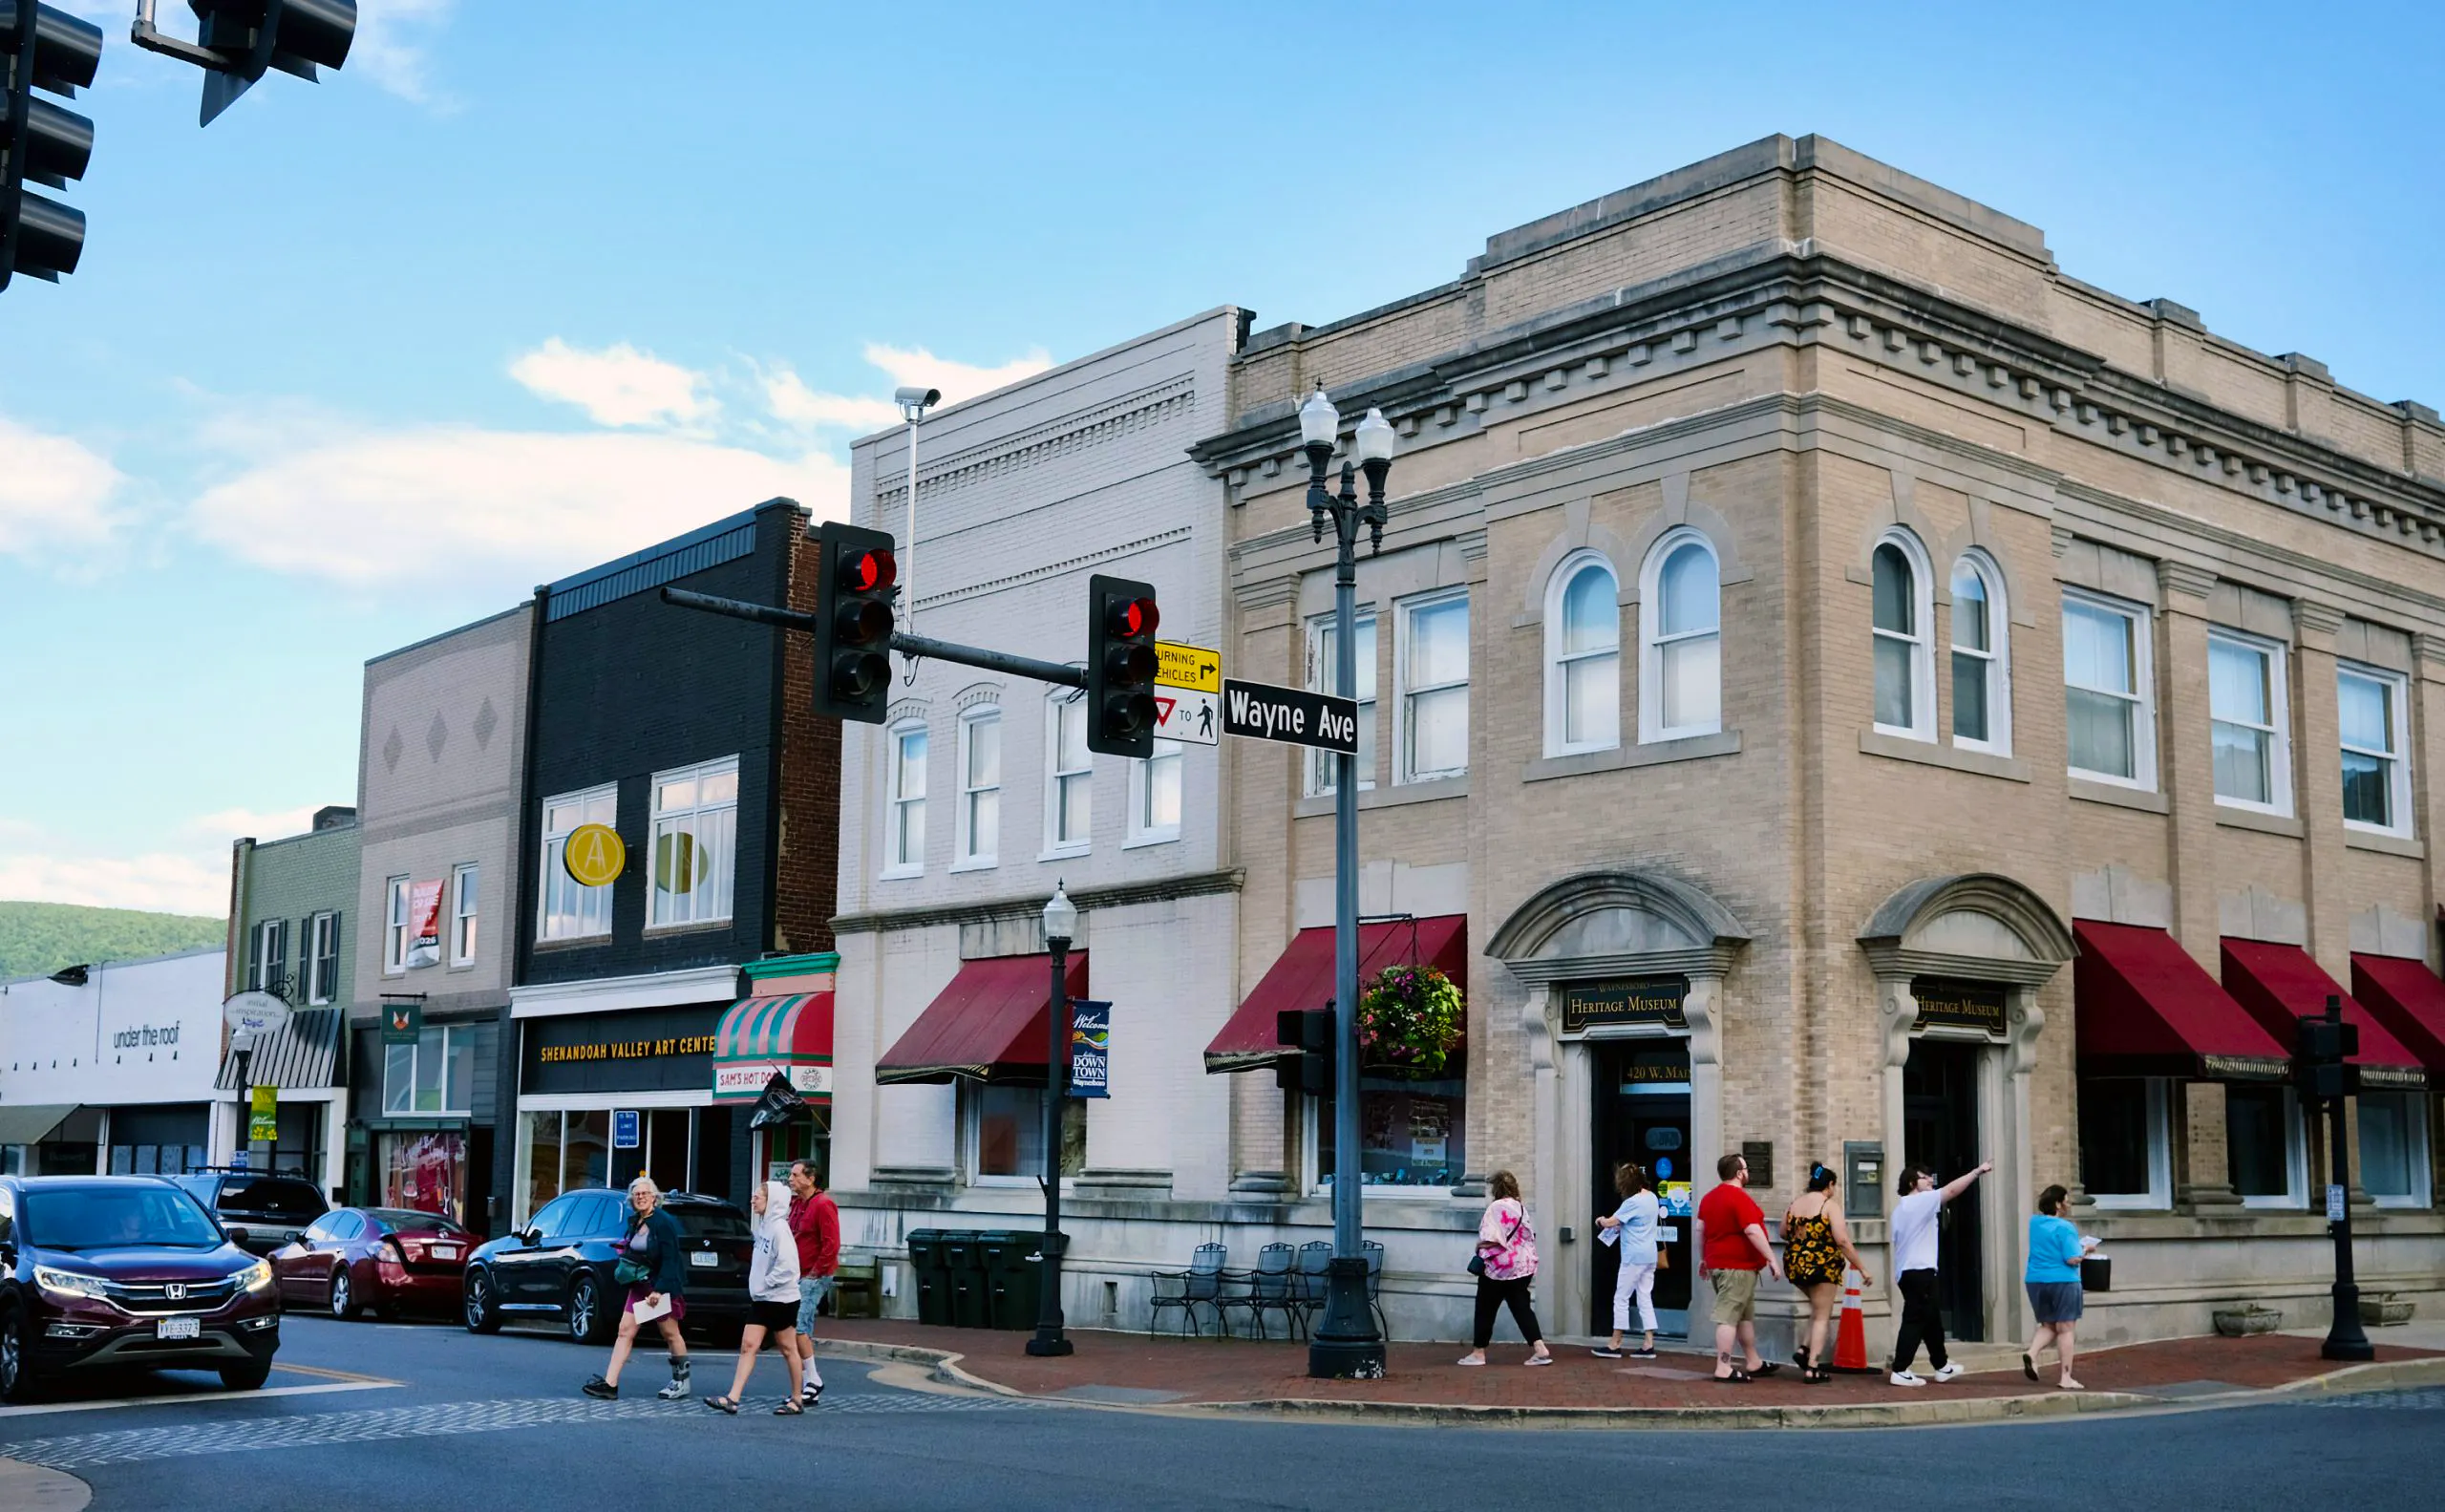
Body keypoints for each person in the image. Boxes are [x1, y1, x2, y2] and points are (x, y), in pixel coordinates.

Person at [582, 1175, 691, 1401]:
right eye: (636, 1194)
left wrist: (659, 1290)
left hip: (658, 1287)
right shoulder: (636, 1221)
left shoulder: (663, 1222)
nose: (640, 1197)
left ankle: (681, 1381)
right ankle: (610, 1384)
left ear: (654, 1197)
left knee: (670, 1333)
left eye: (645, 1193)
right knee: (625, 1331)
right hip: (639, 1286)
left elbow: (671, 1259)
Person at [704, 1180, 807, 1415]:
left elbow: (790, 1267)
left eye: (757, 1197)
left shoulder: (780, 1229)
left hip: (782, 1300)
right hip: (762, 1299)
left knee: (788, 1348)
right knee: (748, 1345)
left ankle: (797, 1399)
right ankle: (733, 1398)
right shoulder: (763, 1227)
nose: (752, 1200)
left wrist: (767, 1283)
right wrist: (760, 1288)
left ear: (772, 1202)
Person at [1887, 1158, 1990, 1387]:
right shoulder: (1920, 1201)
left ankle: (1942, 1366)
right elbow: (1951, 1190)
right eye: (1926, 1179)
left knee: (1931, 1320)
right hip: (1920, 1271)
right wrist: (1976, 1172)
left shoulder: (1900, 1209)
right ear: (1914, 1183)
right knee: (1914, 1320)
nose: (1931, 1182)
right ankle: (1900, 1369)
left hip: (1908, 1272)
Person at [1694, 1151, 1782, 1382]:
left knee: (1743, 1316)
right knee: (1729, 1317)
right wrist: (1771, 1258)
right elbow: (1752, 1230)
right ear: (1739, 1173)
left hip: (1721, 1265)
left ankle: (1753, 1361)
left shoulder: (1709, 1198)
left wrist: (1703, 1258)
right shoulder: (1739, 1198)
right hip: (1737, 1268)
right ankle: (1723, 1367)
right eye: (1745, 1169)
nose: (1748, 1172)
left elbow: (1700, 1230)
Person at [1782, 1161, 1872, 1383]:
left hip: (1795, 1265)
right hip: (1822, 1265)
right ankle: (1812, 1367)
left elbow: (1784, 1232)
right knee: (1823, 1315)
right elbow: (1842, 1240)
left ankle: (1804, 1349)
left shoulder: (1795, 1204)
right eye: (1834, 1186)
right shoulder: (1828, 1206)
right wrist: (1862, 1268)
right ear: (1829, 1185)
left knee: (1817, 1306)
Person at [1456, 1170, 1553, 1367]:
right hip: (1522, 1266)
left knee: (1485, 1308)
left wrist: (1479, 1246)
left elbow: (1491, 1238)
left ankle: (1478, 1352)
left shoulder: (1495, 1208)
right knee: (1521, 1307)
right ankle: (1540, 1348)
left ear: (1496, 1189)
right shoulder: (1521, 1208)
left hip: (1498, 1268)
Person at [2024, 1182, 2091, 1391]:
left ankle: (2032, 1353)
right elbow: (2072, 1259)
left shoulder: (2035, 1223)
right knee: (2066, 1329)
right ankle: (2066, 1377)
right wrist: (2086, 1249)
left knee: (2048, 1324)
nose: (2068, 1204)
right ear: (2058, 1204)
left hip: (2035, 1280)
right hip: (2063, 1280)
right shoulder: (2066, 1227)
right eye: (2066, 1200)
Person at [1591, 1161, 1661, 1360]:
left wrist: (1600, 1220)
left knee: (1621, 1298)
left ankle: (1615, 1343)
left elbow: (1612, 1221)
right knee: (1645, 1296)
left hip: (1633, 1256)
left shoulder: (1632, 1202)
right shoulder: (1652, 1198)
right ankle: (1648, 1343)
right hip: (1650, 1255)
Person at [786, 1159, 840, 1407]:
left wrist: (815, 1273)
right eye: (791, 1175)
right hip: (798, 1273)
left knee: (800, 1327)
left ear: (811, 1178)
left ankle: (813, 1380)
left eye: (796, 1175)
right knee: (795, 1327)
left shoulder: (823, 1204)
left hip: (813, 1276)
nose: (791, 1179)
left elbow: (831, 1243)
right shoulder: (797, 1204)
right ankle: (811, 1382)